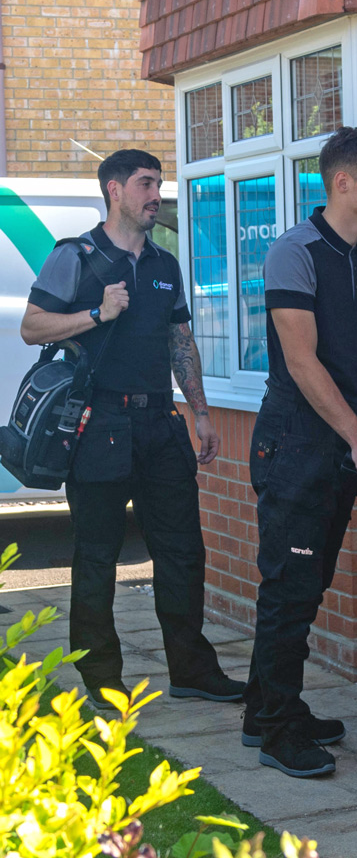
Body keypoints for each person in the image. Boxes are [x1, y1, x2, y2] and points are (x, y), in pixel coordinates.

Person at [20, 148, 245, 710]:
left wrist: (199, 411)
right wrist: (97, 314)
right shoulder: (76, 256)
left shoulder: (165, 265)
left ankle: (192, 670)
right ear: (114, 190)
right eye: (146, 184)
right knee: (97, 555)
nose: (156, 194)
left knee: (182, 551)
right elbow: (31, 326)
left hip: (160, 424)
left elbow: (179, 341)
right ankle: (101, 678)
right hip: (100, 425)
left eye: (159, 183)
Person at [243, 126, 357, 778]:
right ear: (343, 182)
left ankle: (267, 711)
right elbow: (300, 362)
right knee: (288, 590)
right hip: (295, 441)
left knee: (309, 585)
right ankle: (276, 733)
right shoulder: (293, 253)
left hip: (334, 443)